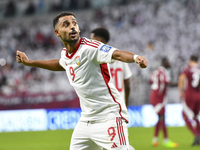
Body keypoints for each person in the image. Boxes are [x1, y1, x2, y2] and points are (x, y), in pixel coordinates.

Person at [16, 12, 148, 150]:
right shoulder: (65, 55)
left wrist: (135, 57)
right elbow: (61, 64)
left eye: (74, 23)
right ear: (57, 32)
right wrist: (30, 62)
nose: (72, 27)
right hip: (86, 121)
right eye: (66, 24)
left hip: (109, 116)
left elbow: (117, 53)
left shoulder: (90, 47)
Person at [90, 27, 134, 150]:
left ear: (98, 39)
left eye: (91, 38)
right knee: (116, 142)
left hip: (103, 105)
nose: (89, 41)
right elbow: (127, 84)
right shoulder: (119, 55)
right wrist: (125, 103)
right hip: (119, 105)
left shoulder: (94, 56)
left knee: (111, 144)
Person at [149, 57, 178, 148]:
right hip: (159, 97)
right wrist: (179, 83)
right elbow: (167, 81)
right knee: (162, 118)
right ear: (164, 62)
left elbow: (150, 81)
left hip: (154, 95)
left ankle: (155, 140)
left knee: (160, 118)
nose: (169, 64)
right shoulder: (163, 72)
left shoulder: (156, 71)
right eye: (168, 62)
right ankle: (166, 140)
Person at [178, 55, 200, 146]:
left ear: (190, 60)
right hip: (198, 95)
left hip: (189, 95)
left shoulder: (187, 68)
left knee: (185, 116)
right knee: (195, 116)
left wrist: (180, 91)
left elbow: (182, 78)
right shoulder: (199, 69)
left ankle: (196, 134)